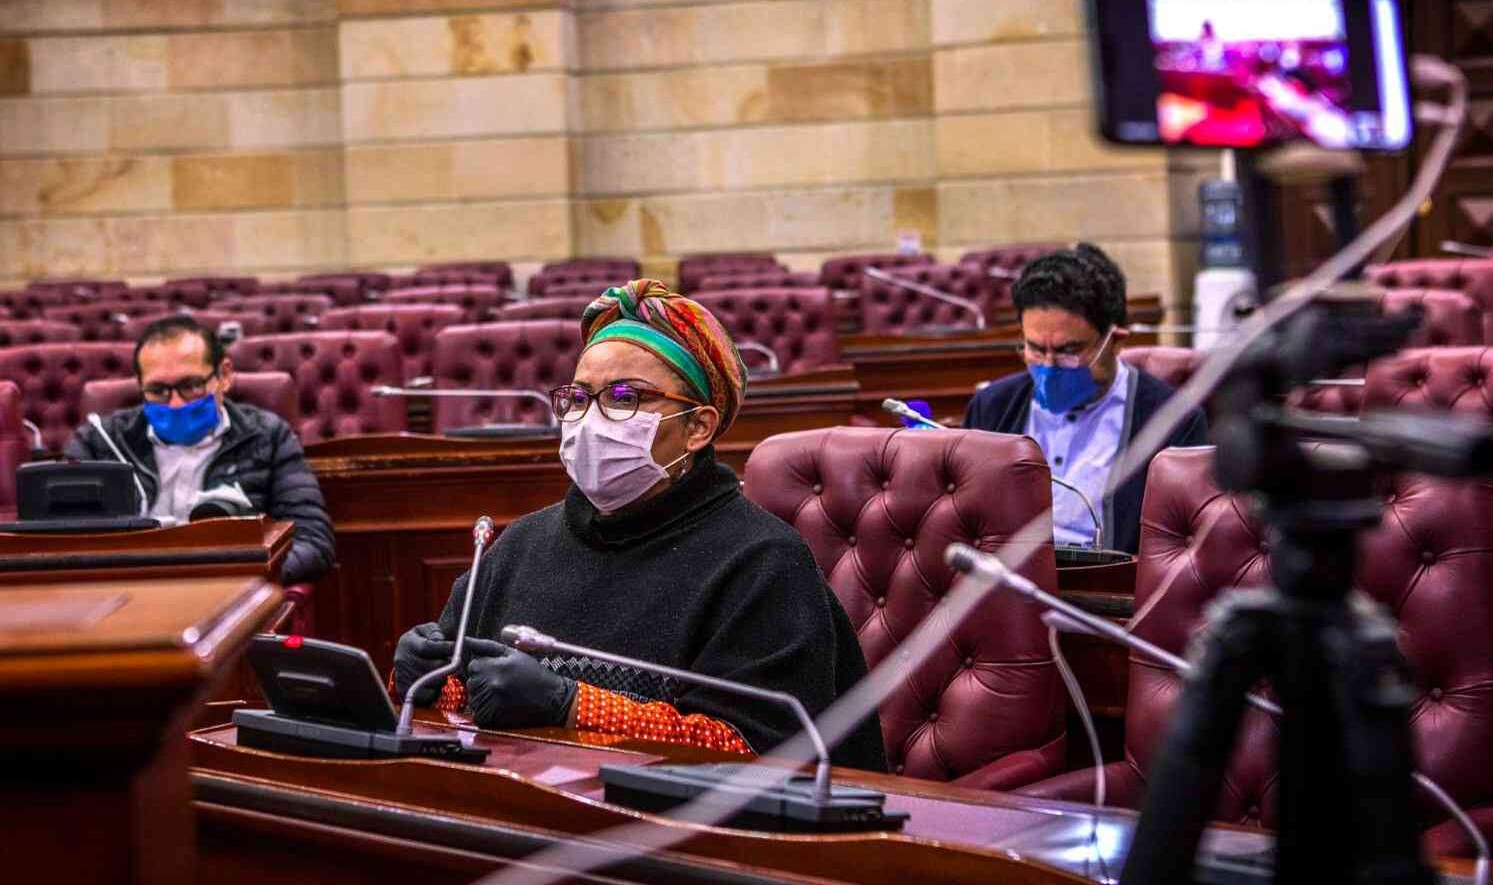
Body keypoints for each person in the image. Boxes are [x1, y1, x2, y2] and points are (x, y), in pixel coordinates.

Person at [392, 279, 887, 770]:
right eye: (579, 397)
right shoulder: (519, 545)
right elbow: (466, 702)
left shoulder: (762, 561)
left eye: (626, 396)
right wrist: (429, 680)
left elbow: (757, 751)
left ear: (698, 427)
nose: (591, 420)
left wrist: (573, 706)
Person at [963, 244, 1208, 554]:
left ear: (1115, 341)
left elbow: (1182, 549)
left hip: (1115, 593)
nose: (1048, 367)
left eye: (1068, 351)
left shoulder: (1172, 420)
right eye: (1036, 349)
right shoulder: (992, 406)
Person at [64, 315, 335, 585]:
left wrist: (241, 581)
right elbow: (62, 546)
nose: (176, 405)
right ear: (140, 385)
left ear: (224, 376)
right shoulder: (99, 442)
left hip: (232, 597)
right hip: (128, 596)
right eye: (158, 390)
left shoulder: (269, 436)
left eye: (191, 386)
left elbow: (312, 542)